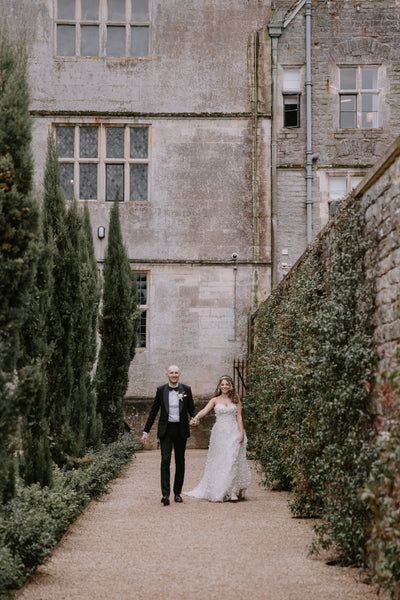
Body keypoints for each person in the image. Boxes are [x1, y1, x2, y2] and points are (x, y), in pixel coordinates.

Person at [185, 375, 251, 502]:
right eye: (222, 384)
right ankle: (222, 488)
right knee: (222, 460)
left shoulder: (236, 399)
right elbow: (204, 411)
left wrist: (241, 433)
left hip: (234, 432)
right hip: (220, 434)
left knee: (233, 459)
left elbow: (239, 417)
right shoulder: (214, 400)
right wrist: (196, 418)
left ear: (231, 386)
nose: (225, 386)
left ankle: (233, 491)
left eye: (227, 384)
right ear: (219, 386)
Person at [141, 365, 195, 506]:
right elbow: (153, 412)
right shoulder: (161, 390)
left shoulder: (186, 389)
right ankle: (165, 494)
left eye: (176, 372)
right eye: (171, 372)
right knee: (165, 460)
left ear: (179, 374)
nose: (174, 375)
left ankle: (177, 493)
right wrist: (146, 431)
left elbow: (191, 409)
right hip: (166, 430)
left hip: (181, 430)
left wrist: (194, 418)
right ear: (167, 374)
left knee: (180, 461)